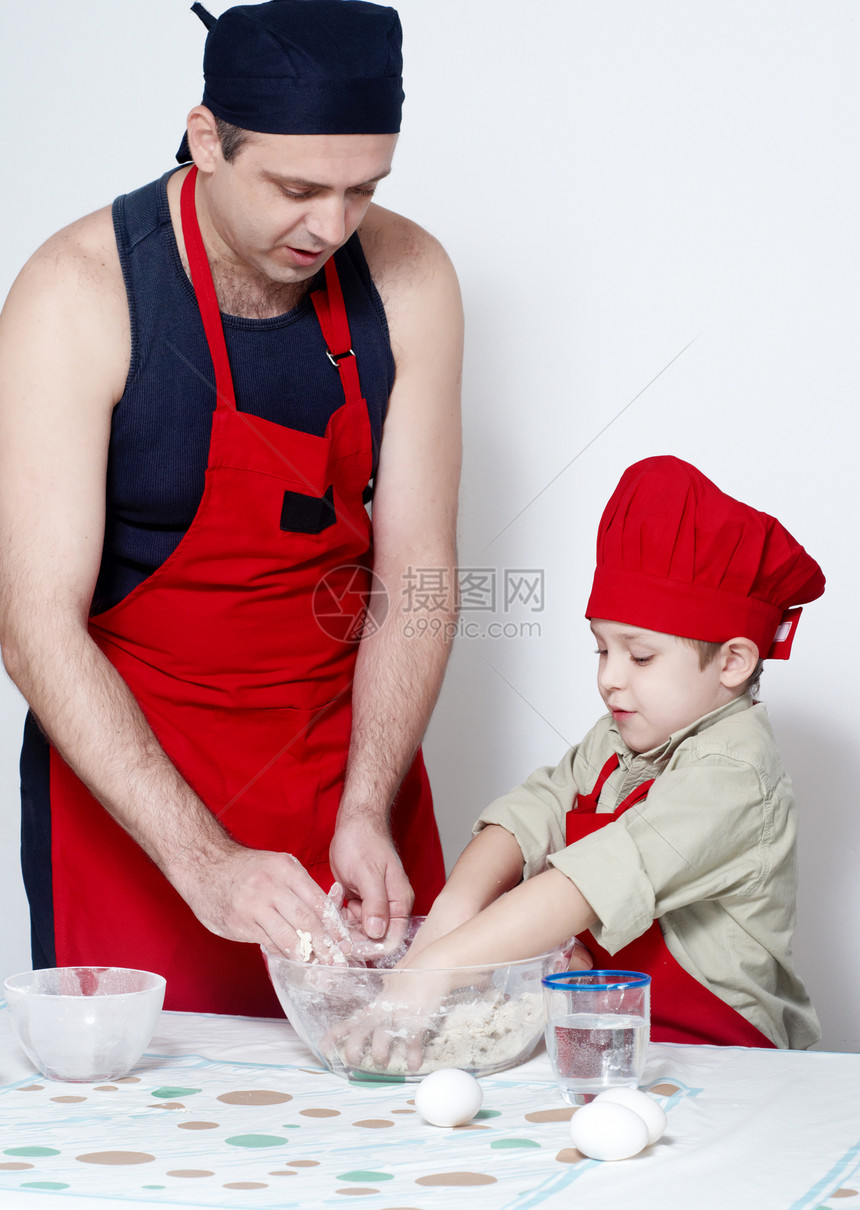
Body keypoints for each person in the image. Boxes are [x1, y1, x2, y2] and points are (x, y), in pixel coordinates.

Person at [0, 0, 462, 1015]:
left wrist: (365, 807)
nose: (331, 228)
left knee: (389, 1132)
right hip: (136, 807)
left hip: (346, 778)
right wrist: (206, 861)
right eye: (297, 189)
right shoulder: (79, 293)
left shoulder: (409, 276)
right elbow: (34, 625)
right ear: (207, 138)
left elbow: (417, 575)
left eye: (362, 190)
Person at [402, 456, 824, 1049]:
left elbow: (588, 883)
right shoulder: (622, 734)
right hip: (621, 1036)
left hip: (725, 1055)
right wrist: (452, 910)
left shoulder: (734, 774)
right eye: (602, 649)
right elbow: (537, 807)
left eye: (640, 656)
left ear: (733, 662)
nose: (610, 678)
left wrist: (436, 972)